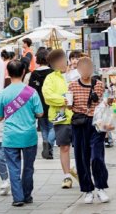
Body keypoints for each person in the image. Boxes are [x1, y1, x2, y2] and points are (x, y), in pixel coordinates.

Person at [0, 59, 44, 207]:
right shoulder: (32, 92)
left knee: (13, 168)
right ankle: (27, 195)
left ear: (8, 73)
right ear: (23, 72)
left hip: (10, 137)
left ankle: (18, 198)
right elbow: (40, 113)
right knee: (28, 167)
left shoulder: (3, 93)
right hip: (29, 136)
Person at [68, 57, 110, 204]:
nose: (85, 71)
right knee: (82, 157)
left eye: (88, 68)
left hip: (96, 124)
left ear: (92, 69)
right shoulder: (72, 86)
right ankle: (87, 190)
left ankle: (101, 186)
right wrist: (66, 103)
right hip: (79, 124)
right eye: (82, 68)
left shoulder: (99, 85)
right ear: (78, 70)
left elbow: (104, 104)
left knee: (97, 156)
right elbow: (68, 106)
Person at [42, 49, 75, 189]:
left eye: (61, 60)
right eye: (55, 63)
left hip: (79, 116)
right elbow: (48, 96)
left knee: (81, 147)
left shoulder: (75, 74)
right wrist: (64, 100)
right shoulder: (50, 78)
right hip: (60, 117)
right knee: (64, 147)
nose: (59, 64)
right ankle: (67, 176)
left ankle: (81, 170)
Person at [27, 48, 55, 159]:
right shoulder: (52, 73)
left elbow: (30, 91)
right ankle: (49, 144)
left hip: (39, 104)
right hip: (52, 103)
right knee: (53, 126)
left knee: (43, 126)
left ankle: (45, 144)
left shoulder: (34, 74)